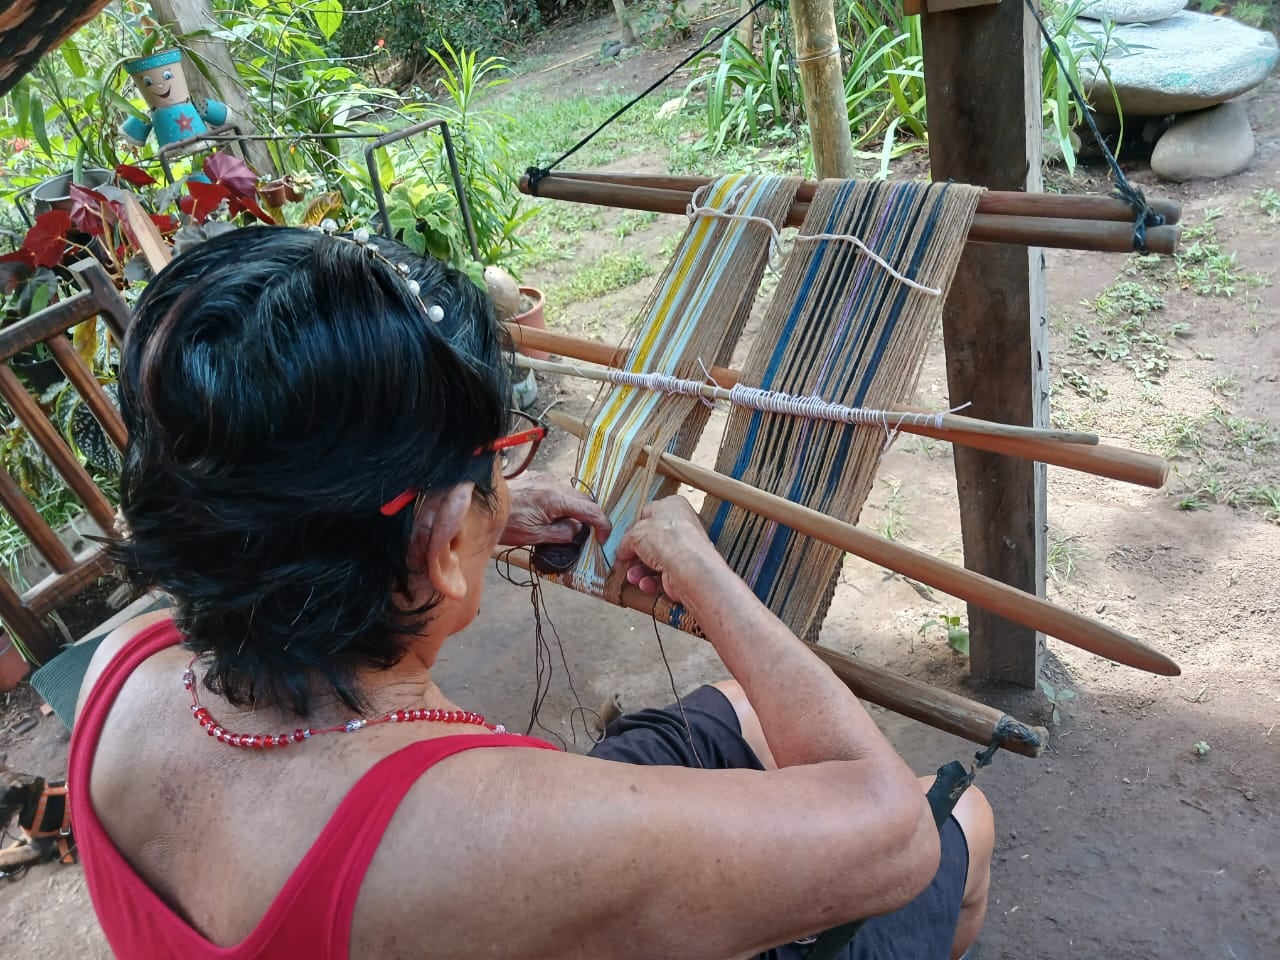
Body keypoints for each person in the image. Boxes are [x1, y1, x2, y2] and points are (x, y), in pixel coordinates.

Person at [70, 225, 993, 960]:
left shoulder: (128, 666)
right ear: (435, 537)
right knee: (961, 819)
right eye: (500, 466)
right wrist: (711, 579)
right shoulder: (489, 834)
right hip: (480, 870)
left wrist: (475, 519)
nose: (508, 484)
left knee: (751, 709)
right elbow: (894, 830)